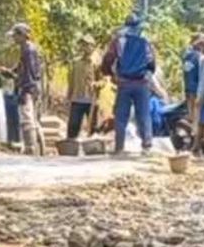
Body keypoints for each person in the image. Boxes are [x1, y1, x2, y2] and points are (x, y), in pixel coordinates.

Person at [102, 13, 157, 155]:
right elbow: (151, 62)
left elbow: (108, 59)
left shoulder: (119, 40)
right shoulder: (145, 40)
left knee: (121, 115)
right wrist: (147, 73)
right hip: (142, 82)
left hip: (124, 82)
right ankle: (147, 146)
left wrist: (110, 74)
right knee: (143, 114)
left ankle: (119, 147)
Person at [0, 22, 45, 156]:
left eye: (15, 36)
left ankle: (31, 149)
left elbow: (30, 74)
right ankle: (39, 150)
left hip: (28, 89)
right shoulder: (25, 49)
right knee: (33, 120)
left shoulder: (29, 50)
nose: (13, 39)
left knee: (27, 120)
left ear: (23, 36)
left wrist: (25, 90)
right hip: (30, 87)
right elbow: (20, 69)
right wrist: (9, 72)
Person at [66, 35, 98, 140]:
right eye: (83, 45)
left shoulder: (97, 62)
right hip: (77, 98)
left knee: (92, 127)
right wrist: (68, 96)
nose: (85, 47)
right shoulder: (76, 62)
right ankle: (71, 145)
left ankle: (92, 148)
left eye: (87, 45)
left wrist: (96, 84)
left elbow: (103, 79)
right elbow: (71, 81)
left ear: (92, 46)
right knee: (73, 125)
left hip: (91, 100)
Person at [183, 34, 202, 144]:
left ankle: (193, 141)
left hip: (188, 89)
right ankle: (196, 143)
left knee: (192, 117)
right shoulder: (199, 57)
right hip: (196, 90)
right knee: (198, 118)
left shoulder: (186, 56)